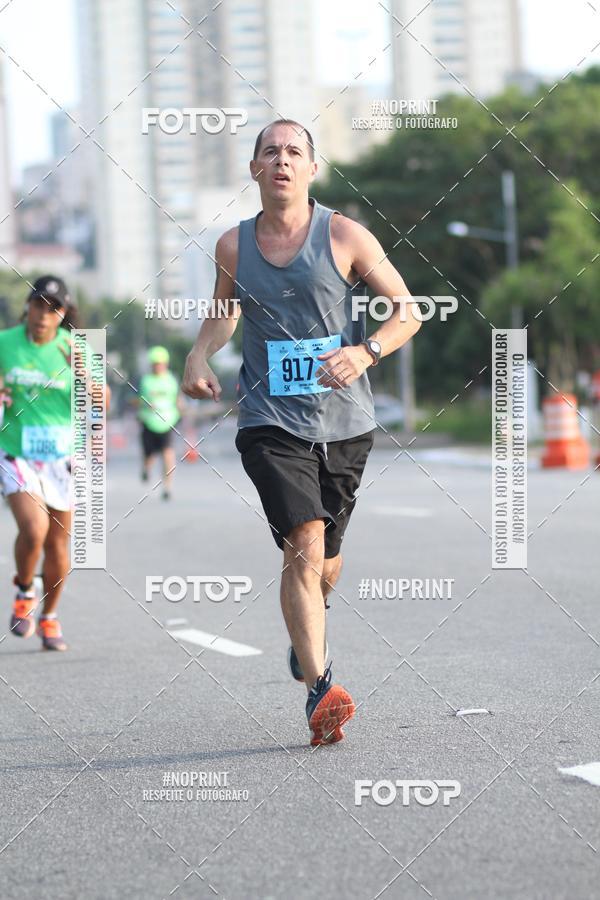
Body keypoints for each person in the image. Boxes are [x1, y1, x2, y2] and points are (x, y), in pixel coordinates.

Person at [182, 119, 421, 745]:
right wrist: (198, 355)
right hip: (268, 420)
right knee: (304, 541)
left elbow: (408, 311)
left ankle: (306, 628)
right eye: (270, 152)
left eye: (294, 152)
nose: (282, 161)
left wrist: (365, 352)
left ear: (312, 168)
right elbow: (223, 312)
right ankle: (321, 687)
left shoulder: (344, 234)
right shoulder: (233, 246)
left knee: (327, 562)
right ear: (254, 169)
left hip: (345, 422)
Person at [0, 275, 106, 650]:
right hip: (17, 452)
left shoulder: (76, 348)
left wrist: (83, 375)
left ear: (64, 313)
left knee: (59, 544)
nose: (44, 315)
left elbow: (102, 402)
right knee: (34, 529)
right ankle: (26, 589)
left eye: (54, 308)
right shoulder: (5, 342)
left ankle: (49, 616)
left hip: (63, 458)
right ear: (27, 307)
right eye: (38, 305)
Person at [137, 346, 183, 500]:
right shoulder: (146, 381)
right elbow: (140, 400)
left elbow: (177, 399)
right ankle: (146, 468)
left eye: (161, 363)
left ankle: (167, 487)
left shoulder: (171, 380)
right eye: (155, 363)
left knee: (167, 453)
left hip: (167, 422)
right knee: (149, 454)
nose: (158, 366)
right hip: (149, 422)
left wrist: (181, 410)